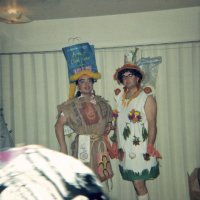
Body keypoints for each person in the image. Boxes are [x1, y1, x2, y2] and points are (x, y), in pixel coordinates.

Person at [113, 63, 161, 200]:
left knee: (138, 183)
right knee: (136, 183)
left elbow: (152, 123)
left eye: (130, 75)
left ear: (138, 78)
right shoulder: (120, 99)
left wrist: (150, 145)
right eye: (124, 76)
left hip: (140, 148)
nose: (127, 79)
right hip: (125, 147)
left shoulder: (147, 97)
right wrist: (116, 142)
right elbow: (118, 123)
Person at [55, 72, 113, 178]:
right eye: (82, 81)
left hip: (99, 145)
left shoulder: (101, 102)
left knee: (100, 177)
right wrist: (63, 147)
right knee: (85, 179)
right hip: (83, 146)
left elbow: (109, 117)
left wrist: (109, 124)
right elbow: (58, 125)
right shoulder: (71, 106)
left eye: (89, 81)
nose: (87, 84)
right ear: (77, 85)